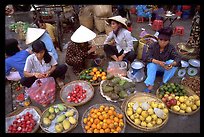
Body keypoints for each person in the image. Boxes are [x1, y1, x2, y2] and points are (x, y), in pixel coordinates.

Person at [143, 27, 181, 93]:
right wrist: (158, 62)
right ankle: (150, 85)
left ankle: (164, 82)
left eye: (165, 41)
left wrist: (171, 64)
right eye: (161, 40)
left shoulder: (171, 47)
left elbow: (177, 58)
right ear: (158, 39)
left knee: (173, 62)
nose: (162, 42)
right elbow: (146, 57)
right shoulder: (153, 45)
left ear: (168, 41)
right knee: (151, 64)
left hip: (165, 67)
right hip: (155, 67)